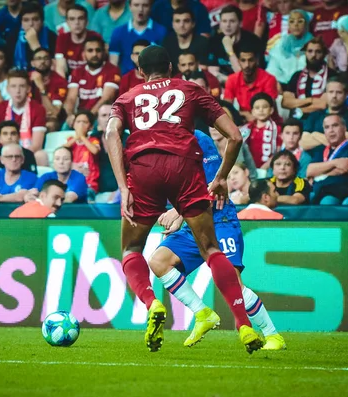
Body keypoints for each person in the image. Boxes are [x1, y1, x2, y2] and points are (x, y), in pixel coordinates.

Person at [106, 45, 263, 353]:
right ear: (171, 66)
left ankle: (152, 304)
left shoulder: (125, 98)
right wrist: (219, 179)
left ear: (139, 72)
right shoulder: (190, 89)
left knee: (132, 249)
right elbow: (235, 136)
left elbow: (112, 133)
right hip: (184, 168)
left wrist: (124, 188)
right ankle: (244, 326)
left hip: (144, 169)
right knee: (210, 249)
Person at [148, 130, 286, 350]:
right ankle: (202, 313)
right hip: (194, 223)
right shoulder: (161, 145)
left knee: (233, 282)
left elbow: (214, 187)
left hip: (220, 221)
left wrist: (176, 211)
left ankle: (272, 336)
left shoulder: (199, 140)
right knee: (158, 261)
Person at [0, 69, 47, 155]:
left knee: (41, 155)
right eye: (13, 86)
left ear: (28, 89)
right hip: (3, 155)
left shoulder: (38, 109)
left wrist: (17, 156)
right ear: (7, 89)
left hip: (28, 155)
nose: (18, 91)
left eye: (22, 86)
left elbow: (36, 145)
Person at [307, 114, 348, 205]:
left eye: (335, 125)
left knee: (327, 202)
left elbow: (343, 168)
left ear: (344, 128)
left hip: (340, 192)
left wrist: (318, 174)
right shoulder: (321, 150)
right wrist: (335, 162)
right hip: (320, 191)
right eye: (327, 127)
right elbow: (309, 171)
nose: (331, 130)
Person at [65, 37, 121, 121]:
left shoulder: (112, 70)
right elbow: (71, 98)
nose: (94, 54)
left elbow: (106, 98)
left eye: (98, 50)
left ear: (104, 52)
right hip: (80, 116)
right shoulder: (77, 72)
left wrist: (88, 118)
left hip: (101, 116)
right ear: (83, 54)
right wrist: (70, 115)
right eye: (90, 50)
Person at [207, 5, 263, 84]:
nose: (227, 25)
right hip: (224, 84)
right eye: (224, 21)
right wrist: (230, 81)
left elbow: (245, 76)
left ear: (240, 23)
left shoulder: (252, 41)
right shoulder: (214, 41)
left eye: (232, 21)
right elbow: (213, 72)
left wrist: (230, 51)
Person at [302, 77, 348, 150]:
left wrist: (315, 135)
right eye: (331, 92)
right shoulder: (315, 115)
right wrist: (332, 140)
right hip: (315, 160)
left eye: (339, 92)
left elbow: (343, 141)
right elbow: (303, 143)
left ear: (346, 95)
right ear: (326, 94)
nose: (334, 96)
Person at [108, 0, 167, 74]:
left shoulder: (161, 31)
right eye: (136, 5)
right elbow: (113, 64)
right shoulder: (118, 32)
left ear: (151, 7)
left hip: (152, 81)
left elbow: (163, 63)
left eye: (145, 5)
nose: (140, 9)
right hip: (126, 82)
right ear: (130, 6)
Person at [281, 37, 333, 119]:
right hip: (298, 121)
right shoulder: (297, 76)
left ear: (324, 54)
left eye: (318, 52)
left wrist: (299, 110)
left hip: (323, 119)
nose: (313, 55)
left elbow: (322, 104)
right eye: (310, 51)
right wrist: (310, 100)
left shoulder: (331, 75)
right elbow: (286, 102)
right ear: (305, 53)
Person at [223, 44, 278, 122]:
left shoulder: (269, 79)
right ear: (238, 61)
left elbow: (268, 110)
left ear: (257, 60)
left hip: (268, 122)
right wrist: (245, 114)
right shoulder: (232, 79)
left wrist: (251, 116)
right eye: (243, 60)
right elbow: (226, 108)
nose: (247, 65)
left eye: (251, 60)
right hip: (245, 122)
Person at [266, 9, 313, 85]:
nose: (296, 25)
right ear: (288, 25)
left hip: (308, 84)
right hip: (283, 85)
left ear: (306, 24)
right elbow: (273, 69)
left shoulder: (314, 44)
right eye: (292, 21)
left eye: (300, 21)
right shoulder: (281, 44)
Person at [6, 3, 57, 71]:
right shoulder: (13, 37)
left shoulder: (52, 37)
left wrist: (35, 46)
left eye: (35, 19)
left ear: (42, 22)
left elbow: (52, 67)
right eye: (26, 20)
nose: (31, 24)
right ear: (21, 22)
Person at [55, 5, 102, 78]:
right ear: (67, 22)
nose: (77, 23)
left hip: (91, 80)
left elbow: (99, 66)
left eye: (80, 18)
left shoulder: (95, 37)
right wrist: (63, 86)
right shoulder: (62, 38)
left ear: (87, 21)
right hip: (70, 80)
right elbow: (60, 67)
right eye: (72, 19)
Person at [29, 47, 69, 133]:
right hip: (29, 116)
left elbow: (54, 112)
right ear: (32, 63)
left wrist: (42, 88)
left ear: (51, 62)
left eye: (46, 58)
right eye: (38, 59)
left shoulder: (60, 82)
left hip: (48, 119)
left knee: (51, 124)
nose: (42, 61)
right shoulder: (26, 79)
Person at [63, 110, 100, 198]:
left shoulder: (93, 140)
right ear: (73, 125)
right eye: (78, 122)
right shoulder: (70, 140)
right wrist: (77, 137)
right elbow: (62, 149)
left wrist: (82, 136)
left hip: (89, 183)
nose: (81, 125)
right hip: (72, 182)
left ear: (90, 127)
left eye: (85, 122)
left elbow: (95, 151)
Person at [240, 93, 281, 168]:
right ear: (252, 111)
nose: (261, 110)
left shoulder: (277, 129)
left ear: (271, 110)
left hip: (269, 167)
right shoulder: (246, 129)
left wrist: (266, 166)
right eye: (257, 108)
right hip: (250, 167)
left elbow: (278, 151)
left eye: (265, 107)